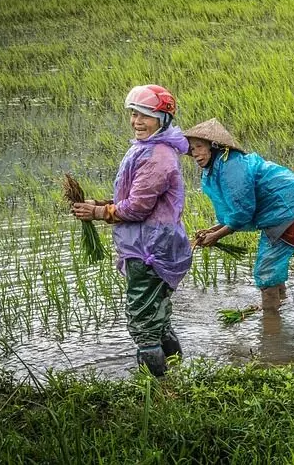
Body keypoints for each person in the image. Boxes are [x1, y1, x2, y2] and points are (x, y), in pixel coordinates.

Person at [71, 84, 192, 377]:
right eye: (134, 114)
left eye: (145, 116)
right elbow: (133, 199)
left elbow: (137, 207)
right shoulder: (148, 148)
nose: (137, 121)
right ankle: (178, 376)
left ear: (162, 119)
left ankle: (156, 389)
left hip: (150, 249)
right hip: (154, 245)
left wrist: (99, 212)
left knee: (143, 324)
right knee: (158, 318)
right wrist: (100, 203)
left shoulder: (157, 156)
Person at [183, 118, 294, 311]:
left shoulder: (231, 166)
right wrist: (212, 230)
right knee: (273, 263)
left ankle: (270, 326)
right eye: (192, 149)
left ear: (214, 146)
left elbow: (243, 211)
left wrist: (216, 236)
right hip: (283, 210)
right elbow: (236, 211)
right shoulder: (218, 166)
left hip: (288, 210)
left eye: (199, 146)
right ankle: (281, 305)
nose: (195, 153)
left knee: (266, 269)